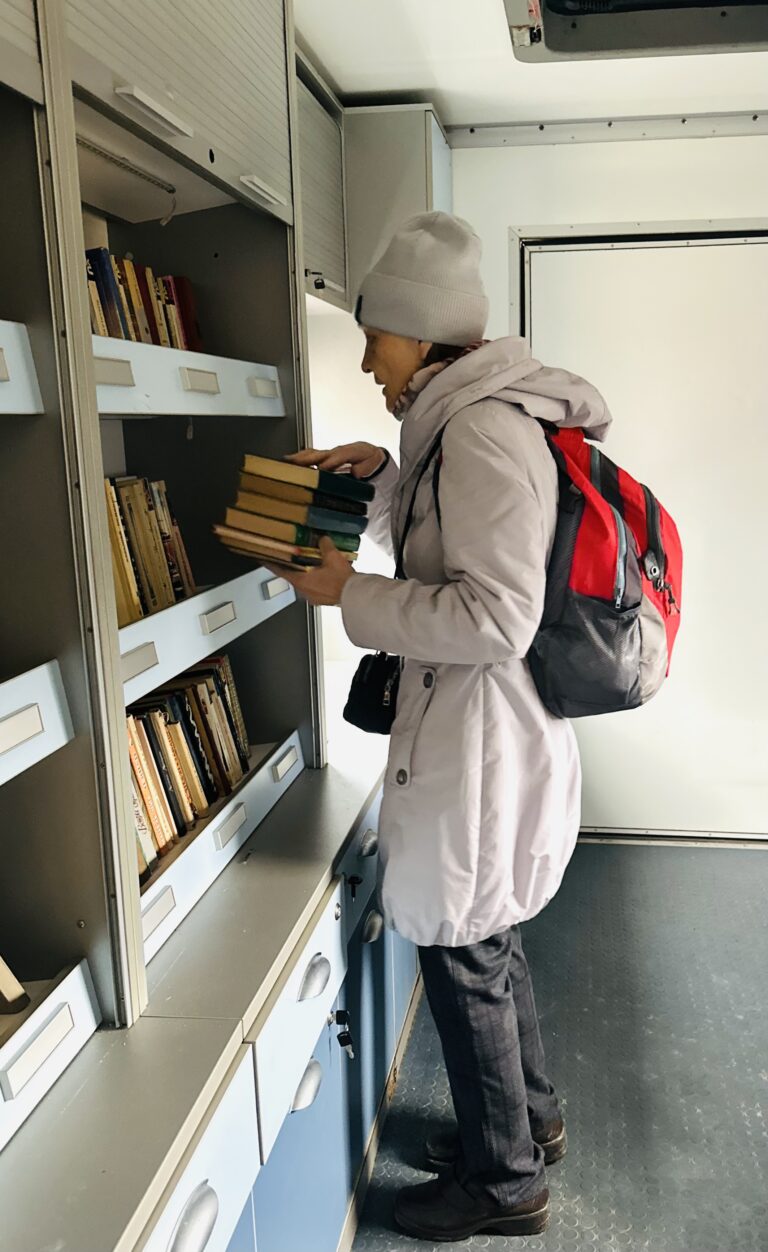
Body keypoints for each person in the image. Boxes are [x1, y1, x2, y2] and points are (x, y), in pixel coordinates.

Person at [274, 212, 613, 1241]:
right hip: (480, 734)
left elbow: (498, 615)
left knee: (464, 952)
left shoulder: (480, 430)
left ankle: (506, 1183)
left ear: (422, 333)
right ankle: (532, 1121)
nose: (367, 360)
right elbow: (447, 537)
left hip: (483, 739)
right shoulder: (460, 421)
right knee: (487, 936)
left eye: (375, 336)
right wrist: (382, 477)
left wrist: (350, 594)